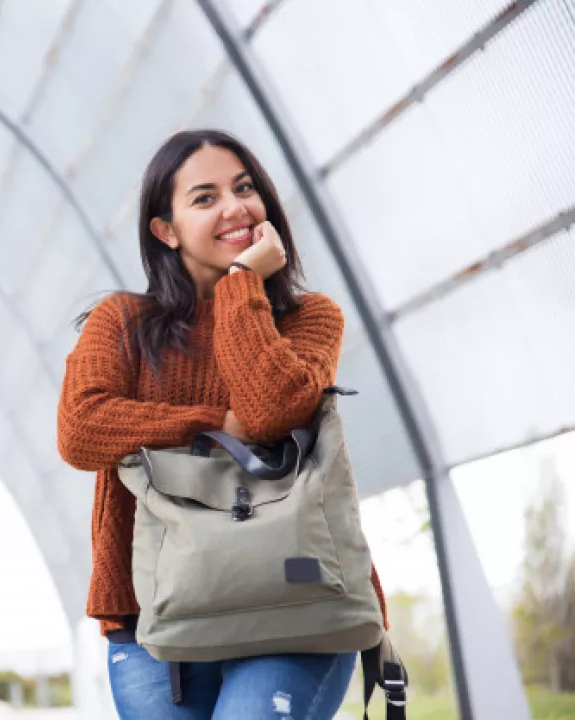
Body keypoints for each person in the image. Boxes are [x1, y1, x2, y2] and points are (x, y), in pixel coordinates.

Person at [57, 129, 389, 719]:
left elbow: (269, 409)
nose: (236, 207)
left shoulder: (311, 319)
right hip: (155, 618)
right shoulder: (121, 323)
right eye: (204, 197)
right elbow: (82, 430)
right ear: (166, 229)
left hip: (300, 605)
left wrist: (241, 284)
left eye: (244, 188)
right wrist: (212, 421)